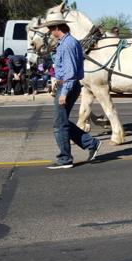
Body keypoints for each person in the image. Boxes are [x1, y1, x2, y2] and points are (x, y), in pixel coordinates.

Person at [35, 12, 102, 169]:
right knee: (61, 121)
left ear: (57, 27)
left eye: (51, 29)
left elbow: (70, 72)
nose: (50, 32)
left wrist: (64, 92)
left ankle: (65, 159)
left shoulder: (68, 44)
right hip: (66, 85)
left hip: (68, 86)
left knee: (59, 124)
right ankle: (91, 143)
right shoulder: (65, 43)